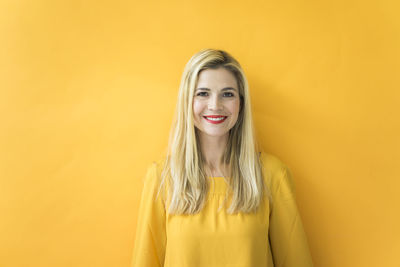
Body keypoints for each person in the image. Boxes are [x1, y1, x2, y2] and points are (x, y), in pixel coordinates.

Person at [131, 49, 313, 267]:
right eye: (203, 93)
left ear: (241, 104)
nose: (215, 105)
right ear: (187, 101)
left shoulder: (272, 175)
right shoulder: (162, 177)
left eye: (227, 94)